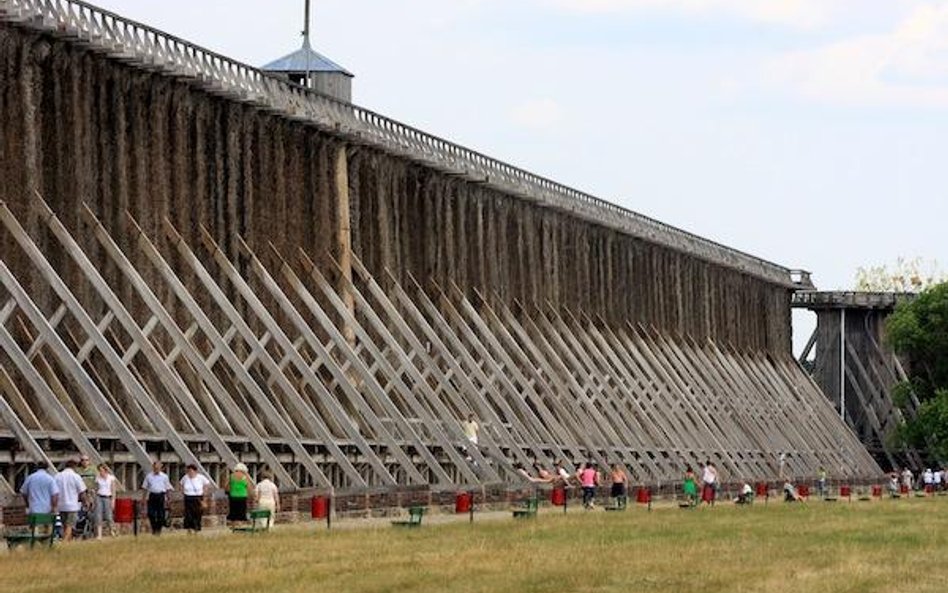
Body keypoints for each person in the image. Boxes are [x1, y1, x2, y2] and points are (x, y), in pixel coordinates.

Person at [54, 459, 87, 541]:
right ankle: (65, 541)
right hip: (72, 505)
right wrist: (85, 502)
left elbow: (54, 490)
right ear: (74, 467)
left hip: (61, 504)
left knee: (65, 524)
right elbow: (82, 491)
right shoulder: (76, 476)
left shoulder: (57, 476)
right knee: (70, 525)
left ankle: (69, 541)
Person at [141, 461, 173, 536]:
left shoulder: (164, 477)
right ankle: (154, 527)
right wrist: (143, 499)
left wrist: (169, 498)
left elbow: (167, 488)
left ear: (161, 468)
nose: (156, 469)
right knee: (151, 513)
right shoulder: (149, 476)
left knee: (160, 514)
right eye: (155, 468)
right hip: (152, 495)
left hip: (161, 496)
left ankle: (158, 529)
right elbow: (145, 488)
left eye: (158, 468)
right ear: (153, 467)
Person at [180, 463, 211, 533]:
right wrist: (183, 492)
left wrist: (204, 494)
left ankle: (196, 528)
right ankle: (189, 529)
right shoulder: (185, 477)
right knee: (188, 514)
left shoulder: (200, 477)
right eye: (188, 471)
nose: (190, 473)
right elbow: (181, 484)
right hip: (188, 497)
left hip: (197, 497)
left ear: (195, 471)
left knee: (197, 513)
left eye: (191, 471)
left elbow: (207, 484)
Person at [93, 463, 119, 539]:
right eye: (99, 471)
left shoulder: (111, 478)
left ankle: (112, 531)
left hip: (107, 497)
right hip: (99, 496)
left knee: (108, 515)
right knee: (98, 515)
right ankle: (99, 534)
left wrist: (113, 500)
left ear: (105, 470)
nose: (101, 472)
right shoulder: (97, 478)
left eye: (102, 470)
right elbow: (96, 488)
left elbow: (113, 490)